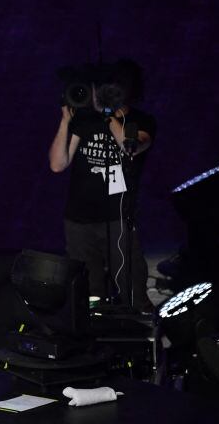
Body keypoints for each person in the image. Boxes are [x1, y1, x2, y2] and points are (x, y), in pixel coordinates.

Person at [48, 60, 157, 310]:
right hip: (79, 221)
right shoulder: (84, 122)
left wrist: (110, 115)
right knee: (87, 293)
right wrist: (66, 121)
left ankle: (137, 334)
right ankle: (94, 335)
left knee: (132, 290)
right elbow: (57, 164)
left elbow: (130, 147)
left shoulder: (141, 121)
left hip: (117, 219)